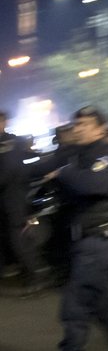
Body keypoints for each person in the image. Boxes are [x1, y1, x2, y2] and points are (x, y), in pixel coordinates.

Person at [44, 107, 108, 351]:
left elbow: (96, 184)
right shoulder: (75, 155)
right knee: (102, 298)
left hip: (99, 237)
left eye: (84, 124)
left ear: (99, 128)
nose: (78, 128)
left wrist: (64, 175)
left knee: (76, 295)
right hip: (82, 238)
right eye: (76, 124)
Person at [0, 110, 47, 295]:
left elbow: (9, 171)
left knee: (18, 238)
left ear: (4, 122)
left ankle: (36, 276)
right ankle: (15, 270)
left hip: (13, 198)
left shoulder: (11, 142)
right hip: (5, 198)